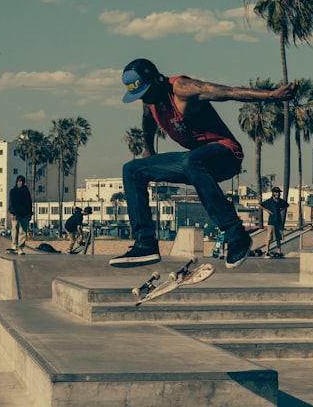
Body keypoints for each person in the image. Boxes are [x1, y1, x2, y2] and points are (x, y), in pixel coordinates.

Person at [110, 58, 294, 268]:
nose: (147, 99)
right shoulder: (149, 100)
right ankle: (145, 243)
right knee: (132, 170)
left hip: (226, 155)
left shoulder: (182, 89)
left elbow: (227, 92)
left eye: (148, 93)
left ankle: (236, 236)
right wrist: (148, 148)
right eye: (143, 96)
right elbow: (147, 118)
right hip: (196, 162)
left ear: (158, 80)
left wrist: (271, 96)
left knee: (191, 160)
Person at [260, 186, 289, 258]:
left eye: (278, 192)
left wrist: (281, 210)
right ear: (273, 193)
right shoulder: (270, 201)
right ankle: (267, 252)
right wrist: (267, 211)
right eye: (276, 192)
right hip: (271, 222)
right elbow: (259, 205)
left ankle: (279, 251)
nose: (277, 194)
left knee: (278, 238)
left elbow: (287, 205)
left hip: (278, 222)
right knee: (269, 238)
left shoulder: (280, 201)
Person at [7, 175, 33, 252]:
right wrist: (13, 213)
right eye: (19, 181)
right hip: (16, 214)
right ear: (17, 182)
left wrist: (30, 214)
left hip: (24, 214)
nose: (20, 183)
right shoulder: (13, 191)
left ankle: (20, 247)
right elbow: (11, 203)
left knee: (23, 231)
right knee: (15, 229)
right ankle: (14, 245)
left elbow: (29, 203)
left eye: (21, 182)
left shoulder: (26, 192)